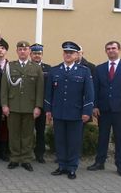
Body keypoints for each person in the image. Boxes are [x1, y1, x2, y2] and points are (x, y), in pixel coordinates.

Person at [45, 42, 94, 180]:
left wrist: (87, 111)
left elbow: (89, 94)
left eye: (71, 53)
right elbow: (49, 93)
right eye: (66, 52)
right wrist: (48, 110)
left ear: (77, 55)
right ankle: (62, 165)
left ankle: (72, 167)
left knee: (74, 142)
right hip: (58, 112)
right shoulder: (55, 70)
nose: (68, 54)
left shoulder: (84, 71)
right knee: (60, 140)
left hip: (76, 113)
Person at [87, 41, 121, 178]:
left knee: (120, 138)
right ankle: (99, 162)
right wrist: (95, 106)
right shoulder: (100, 68)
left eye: (113, 48)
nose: (111, 50)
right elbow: (95, 89)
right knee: (102, 137)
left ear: (119, 50)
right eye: (108, 49)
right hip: (103, 110)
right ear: (105, 51)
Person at [0, 41, 44, 172]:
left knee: (27, 135)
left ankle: (26, 159)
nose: (23, 51)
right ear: (17, 51)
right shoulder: (10, 66)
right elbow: (4, 88)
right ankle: (14, 158)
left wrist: (38, 106)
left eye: (25, 49)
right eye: (20, 49)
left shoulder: (36, 68)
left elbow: (39, 89)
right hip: (13, 106)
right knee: (13, 134)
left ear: (29, 51)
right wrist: (4, 105)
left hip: (29, 107)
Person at [30, 43, 51, 163]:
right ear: (30, 54)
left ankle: (39, 154)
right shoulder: (26, 67)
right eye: (35, 53)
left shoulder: (48, 69)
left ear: (42, 54)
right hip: (28, 105)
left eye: (39, 53)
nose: (37, 55)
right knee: (27, 132)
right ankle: (26, 153)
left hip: (42, 105)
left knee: (40, 131)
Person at [0, 32, 10, 161]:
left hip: (6, 100)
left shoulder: (11, 65)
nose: (0, 50)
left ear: (6, 51)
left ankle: (3, 151)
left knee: (5, 126)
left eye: (3, 48)